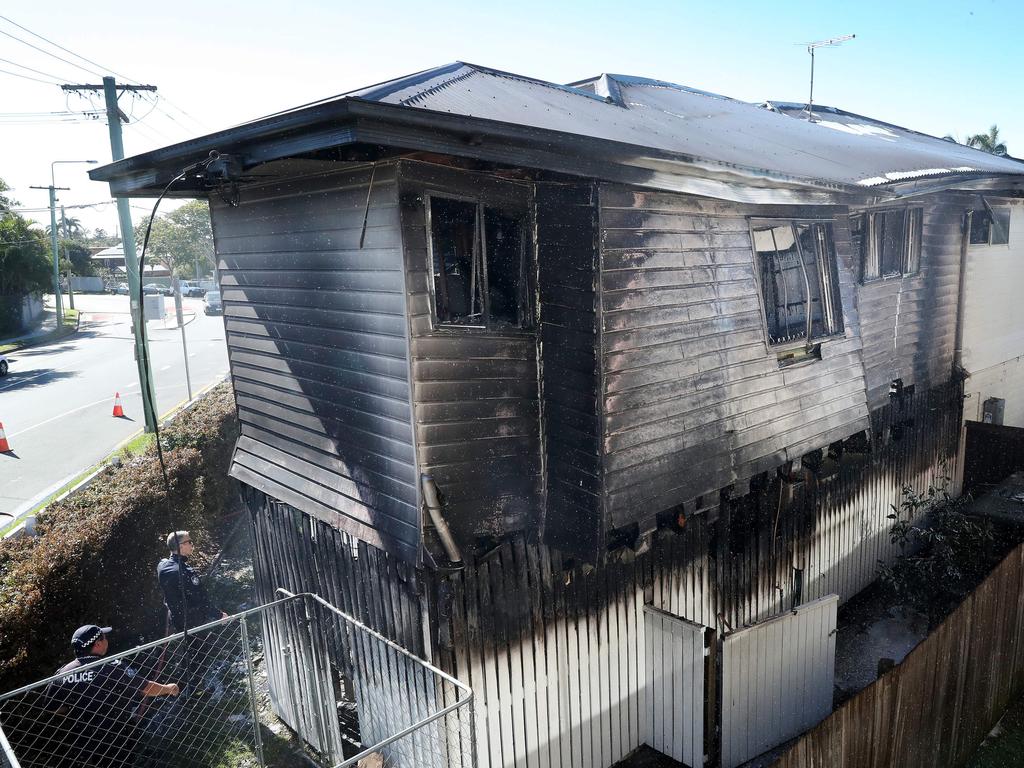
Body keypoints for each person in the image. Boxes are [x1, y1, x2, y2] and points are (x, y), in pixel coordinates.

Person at [46, 624, 179, 767]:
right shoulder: (110, 666)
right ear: (97, 644)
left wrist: (76, 712)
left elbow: (52, 707)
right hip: (115, 735)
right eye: (104, 638)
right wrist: (169, 688)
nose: (106, 640)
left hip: (82, 738)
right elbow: (145, 687)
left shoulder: (63, 674)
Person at [156, 531, 227, 632]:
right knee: (202, 647)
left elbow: (163, 561)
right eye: (189, 542)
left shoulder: (162, 566)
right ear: (181, 546)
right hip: (194, 625)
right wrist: (220, 615)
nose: (192, 545)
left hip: (176, 623)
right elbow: (200, 599)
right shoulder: (185, 572)